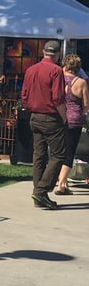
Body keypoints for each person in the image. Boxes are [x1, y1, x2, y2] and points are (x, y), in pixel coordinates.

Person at [21, 39, 66, 209]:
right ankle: (41, 190)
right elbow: (58, 98)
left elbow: (24, 95)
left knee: (39, 155)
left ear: (44, 52)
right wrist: (64, 117)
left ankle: (38, 193)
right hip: (51, 117)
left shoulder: (31, 69)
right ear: (58, 54)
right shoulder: (56, 71)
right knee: (58, 155)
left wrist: (31, 107)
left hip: (34, 116)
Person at [55, 53, 89, 195]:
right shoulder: (81, 83)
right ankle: (60, 185)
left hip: (59, 118)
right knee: (70, 153)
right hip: (74, 120)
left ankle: (64, 183)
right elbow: (86, 105)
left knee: (59, 151)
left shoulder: (59, 80)